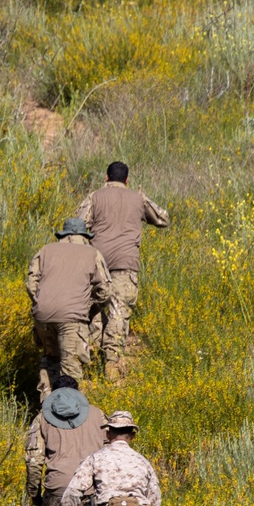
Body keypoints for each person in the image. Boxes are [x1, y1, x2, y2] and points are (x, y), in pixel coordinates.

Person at [77, 161, 169, 381]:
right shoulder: (138, 198)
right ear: (127, 180)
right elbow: (163, 218)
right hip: (126, 264)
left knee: (93, 310)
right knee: (118, 312)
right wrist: (141, 202)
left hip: (96, 263)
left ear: (106, 178)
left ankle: (88, 356)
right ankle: (112, 362)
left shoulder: (94, 197)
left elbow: (77, 224)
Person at [25, 217, 112, 400]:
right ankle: (67, 417)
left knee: (50, 361)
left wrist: (42, 303)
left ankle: (46, 411)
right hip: (72, 318)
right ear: (84, 236)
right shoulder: (92, 253)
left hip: (43, 317)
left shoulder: (45, 250)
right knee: (70, 367)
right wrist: (88, 312)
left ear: (63, 235)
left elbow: (31, 284)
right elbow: (105, 291)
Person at [25, 374, 108, 506]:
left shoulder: (42, 419)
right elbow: (110, 451)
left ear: (53, 395)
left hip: (58, 486)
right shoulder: (97, 414)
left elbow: (34, 460)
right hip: (91, 487)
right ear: (78, 393)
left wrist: (34, 493)